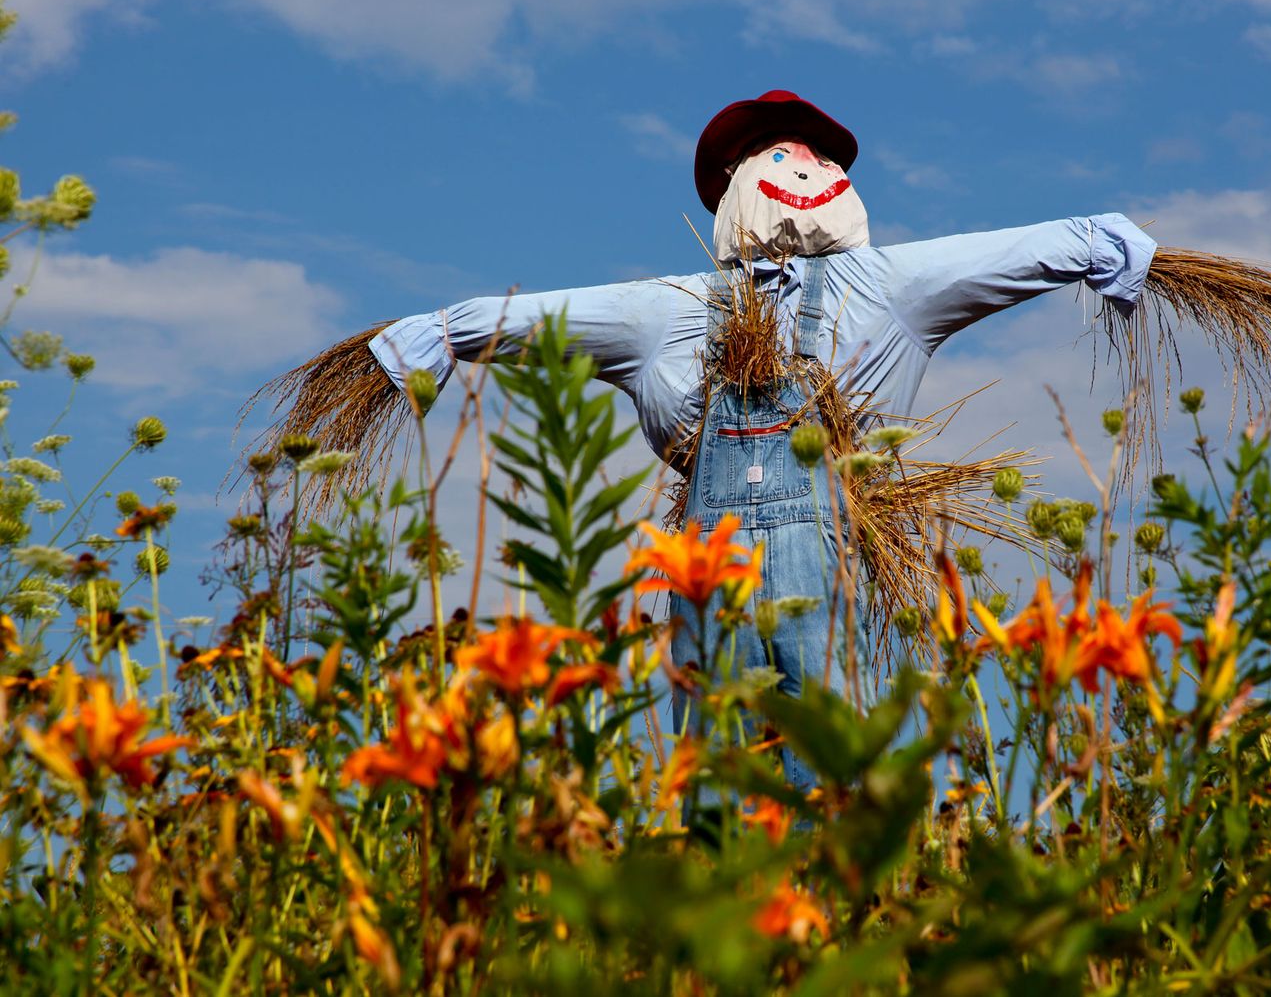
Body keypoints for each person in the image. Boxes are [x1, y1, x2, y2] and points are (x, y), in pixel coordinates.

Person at [369, 90, 1155, 792]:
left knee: (830, 765)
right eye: (778, 155)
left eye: (817, 157)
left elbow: (1009, 251)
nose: (803, 164)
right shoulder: (668, 309)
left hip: (828, 557)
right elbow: (542, 317)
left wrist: (1100, 244)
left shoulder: (888, 285)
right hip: (707, 573)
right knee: (718, 773)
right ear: (736, 184)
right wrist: (436, 336)